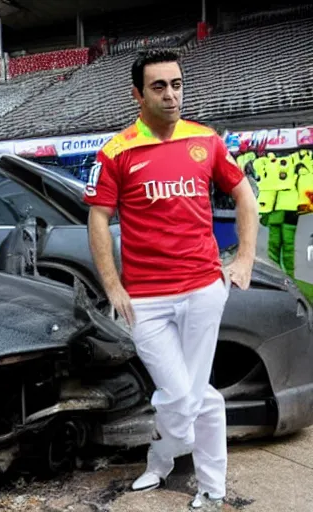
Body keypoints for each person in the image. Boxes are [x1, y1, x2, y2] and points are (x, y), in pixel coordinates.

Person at [83, 48, 259, 511]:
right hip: (145, 299)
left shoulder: (206, 140)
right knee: (185, 393)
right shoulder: (116, 151)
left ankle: (210, 487)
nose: (171, 95)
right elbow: (98, 219)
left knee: (194, 395)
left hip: (204, 289)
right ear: (138, 94)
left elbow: (244, 195)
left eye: (177, 84)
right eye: (159, 86)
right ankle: (162, 456)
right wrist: (112, 285)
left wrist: (244, 259)